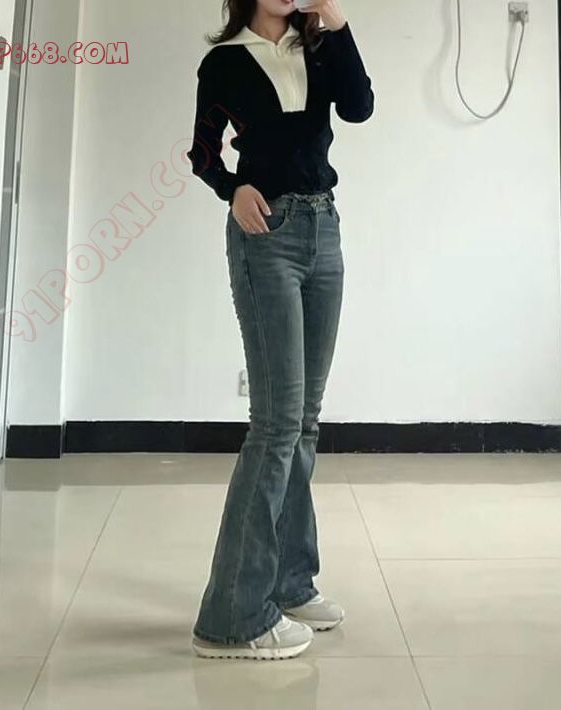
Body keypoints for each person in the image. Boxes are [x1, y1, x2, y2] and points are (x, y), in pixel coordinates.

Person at [185, 0, 374, 660]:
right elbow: (202, 152)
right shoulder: (225, 61)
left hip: (325, 229)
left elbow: (359, 107)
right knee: (275, 424)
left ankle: (290, 582)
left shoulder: (317, 50)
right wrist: (231, 188)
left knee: (305, 421)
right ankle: (231, 617)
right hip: (265, 235)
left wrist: (336, 25)